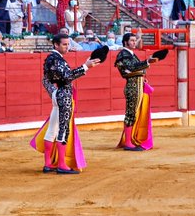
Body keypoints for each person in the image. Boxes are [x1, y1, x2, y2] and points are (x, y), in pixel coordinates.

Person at [30, 33, 100, 174]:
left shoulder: (51, 59)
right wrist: (85, 67)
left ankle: (48, 164)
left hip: (58, 95)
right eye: (64, 44)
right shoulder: (56, 59)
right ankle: (62, 165)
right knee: (63, 129)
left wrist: (54, 94)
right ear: (56, 44)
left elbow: (46, 80)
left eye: (68, 44)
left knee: (52, 130)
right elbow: (67, 76)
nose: (67, 47)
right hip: (64, 96)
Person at [114, 32, 158, 151]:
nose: (134, 42)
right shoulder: (124, 54)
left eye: (135, 40)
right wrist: (147, 62)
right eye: (132, 40)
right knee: (131, 114)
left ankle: (129, 140)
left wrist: (142, 75)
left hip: (137, 85)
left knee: (133, 113)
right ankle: (128, 143)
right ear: (125, 42)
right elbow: (132, 68)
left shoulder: (130, 54)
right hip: (132, 86)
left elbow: (135, 69)